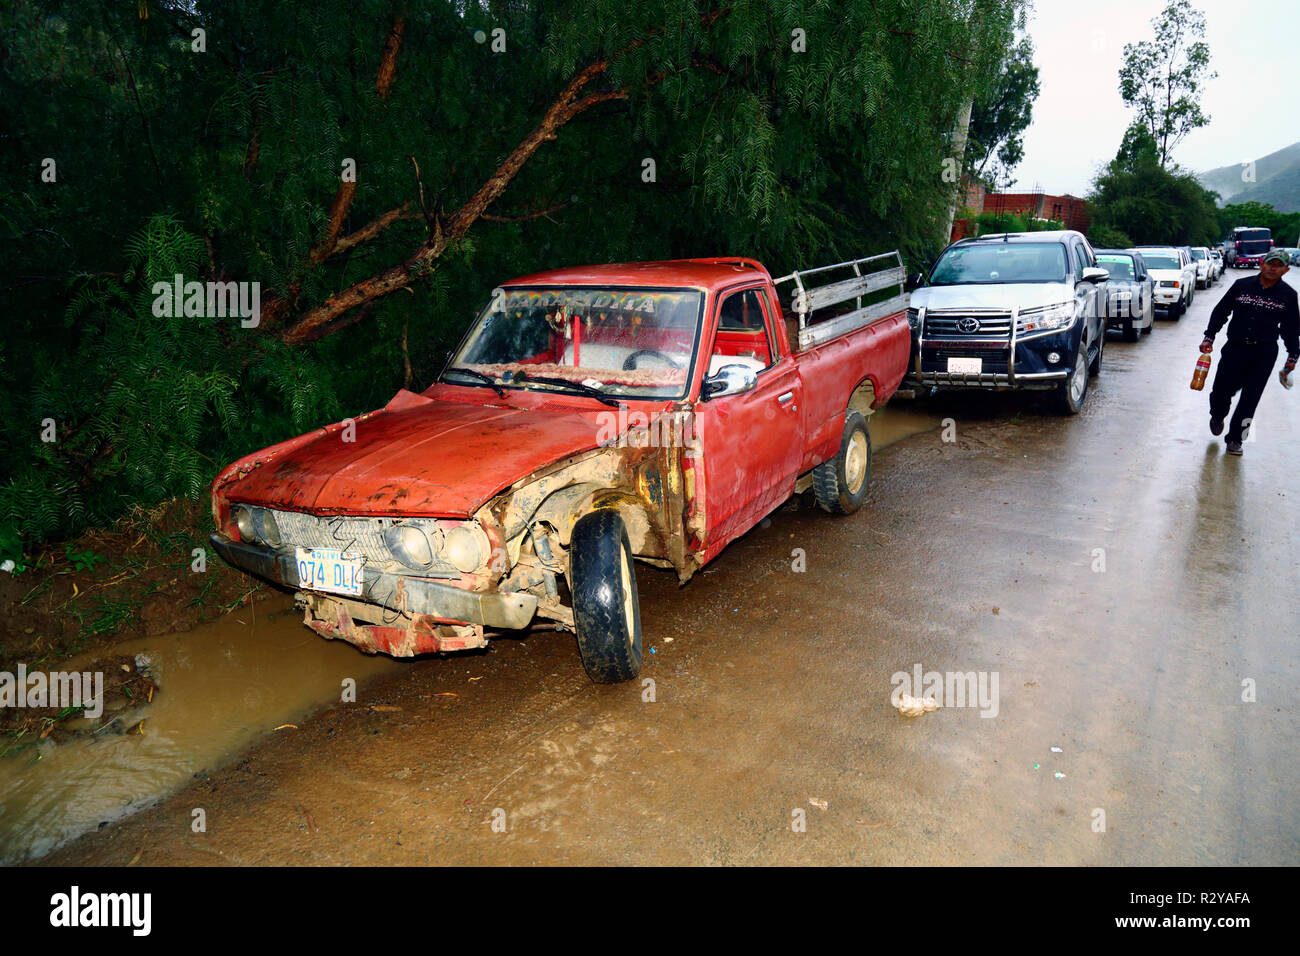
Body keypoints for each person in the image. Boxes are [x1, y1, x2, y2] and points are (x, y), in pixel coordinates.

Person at [1200, 248, 1299, 455]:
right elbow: (1221, 311)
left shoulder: (1289, 295)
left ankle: (1236, 439)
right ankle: (1218, 415)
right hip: (1234, 348)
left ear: (1286, 270)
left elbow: (1291, 328)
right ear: (1262, 263)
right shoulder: (1241, 286)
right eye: (1270, 263)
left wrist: (1292, 355)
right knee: (1220, 392)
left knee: (1250, 399)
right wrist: (1209, 336)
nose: (1273, 268)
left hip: (1264, 353)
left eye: (1279, 265)